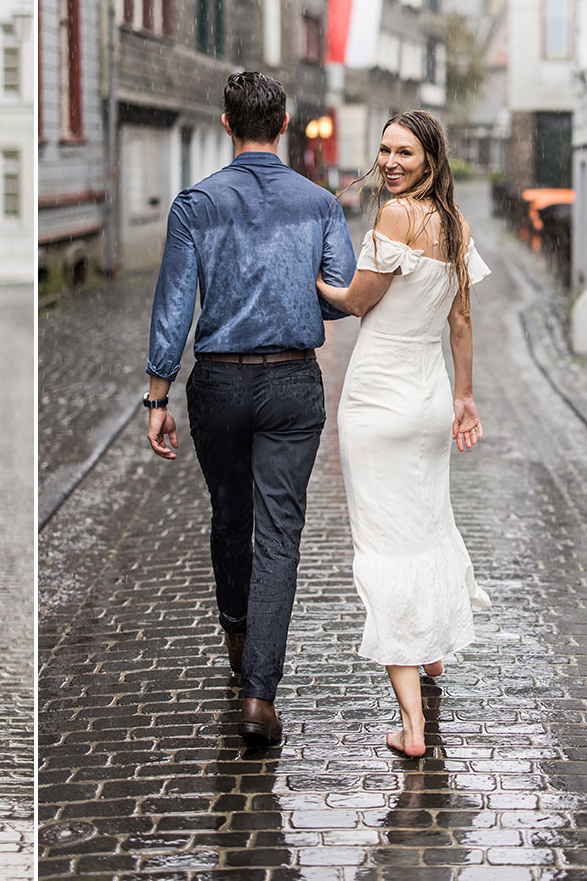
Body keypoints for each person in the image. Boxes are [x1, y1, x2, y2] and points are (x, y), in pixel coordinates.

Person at [145, 71, 356, 748]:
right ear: (286, 124)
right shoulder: (320, 203)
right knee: (281, 532)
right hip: (293, 383)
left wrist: (157, 393)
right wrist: (293, 282)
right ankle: (260, 694)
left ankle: (237, 635)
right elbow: (339, 294)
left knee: (231, 515)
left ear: (227, 125)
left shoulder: (195, 204)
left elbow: (176, 305)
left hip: (221, 384)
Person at [314, 109, 491, 758]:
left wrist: (317, 279)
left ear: (431, 160)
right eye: (385, 150)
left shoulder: (395, 217)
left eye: (405, 153)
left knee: (385, 545)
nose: (390, 162)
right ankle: (435, 653)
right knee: (429, 523)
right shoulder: (458, 226)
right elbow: (462, 322)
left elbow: (358, 301)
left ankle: (412, 726)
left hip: (380, 400)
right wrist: (465, 397)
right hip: (429, 397)